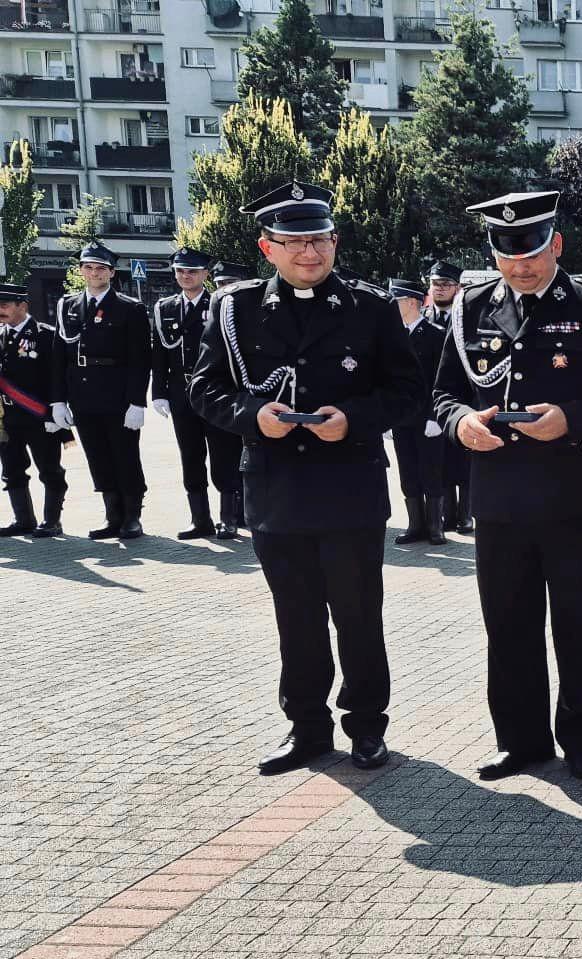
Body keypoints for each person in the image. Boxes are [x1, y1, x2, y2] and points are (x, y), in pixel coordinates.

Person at [187, 180, 425, 774]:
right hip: (277, 489)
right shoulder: (236, 309)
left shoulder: (370, 308)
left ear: (335, 242)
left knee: (358, 616)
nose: (309, 252)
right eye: (293, 242)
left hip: (349, 487)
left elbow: (407, 391)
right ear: (267, 248)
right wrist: (251, 415)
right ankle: (307, 728)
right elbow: (204, 387)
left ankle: (366, 727)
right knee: (296, 618)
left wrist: (353, 420)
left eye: (319, 239)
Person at [434, 191, 582, 782]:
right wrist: (461, 423)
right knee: (508, 624)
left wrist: (571, 420)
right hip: (498, 496)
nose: (520, 264)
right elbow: (444, 393)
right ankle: (521, 741)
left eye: (530, 250)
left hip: (570, 493)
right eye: (507, 252)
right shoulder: (471, 306)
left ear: (556, 245)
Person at [51, 242, 151, 539]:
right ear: (81, 271)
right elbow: (59, 356)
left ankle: (132, 517)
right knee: (98, 457)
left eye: (101, 268)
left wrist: (137, 402)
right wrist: (58, 400)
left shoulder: (130, 308)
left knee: (125, 456)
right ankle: (112, 516)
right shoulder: (67, 306)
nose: (94, 273)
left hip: (118, 395)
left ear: (111, 273)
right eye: (89, 267)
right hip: (82, 395)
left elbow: (140, 359)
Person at [147, 248, 241, 540]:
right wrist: (159, 392)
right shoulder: (165, 307)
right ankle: (200, 519)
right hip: (181, 392)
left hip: (216, 391)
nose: (186, 276)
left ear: (205, 274)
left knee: (224, 454)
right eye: (180, 271)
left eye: (192, 271)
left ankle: (229, 519)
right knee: (190, 456)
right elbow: (159, 354)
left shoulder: (220, 304)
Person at [0, 283, 67, 538]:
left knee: (49, 469)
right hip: (7, 418)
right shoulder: (1, 335)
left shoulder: (45, 335)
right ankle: (24, 520)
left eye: (5, 305)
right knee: (12, 470)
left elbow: (58, 376)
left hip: (39, 417)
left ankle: (52, 521)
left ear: (23, 306)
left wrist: (57, 409)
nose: (0, 311)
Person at [387, 279, 448, 546]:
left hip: (427, 417)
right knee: (408, 471)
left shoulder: (435, 335)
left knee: (431, 470)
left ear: (412, 302)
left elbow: (441, 380)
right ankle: (416, 525)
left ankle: (435, 526)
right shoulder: (394, 335)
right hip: (403, 417)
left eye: (397, 301)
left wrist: (436, 416)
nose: (393, 306)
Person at [427, 259, 474, 535]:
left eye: (446, 284)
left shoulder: (467, 317)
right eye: (436, 284)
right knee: (439, 463)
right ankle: (447, 514)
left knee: (464, 461)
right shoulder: (422, 318)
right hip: (432, 404)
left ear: (457, 288)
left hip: (462, 401)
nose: (440, 288)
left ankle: (466, 515)